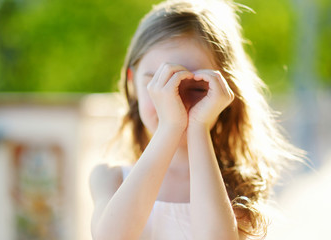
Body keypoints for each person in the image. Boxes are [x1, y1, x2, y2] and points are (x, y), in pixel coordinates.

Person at [89, 0, 303, 239]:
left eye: (198, 89)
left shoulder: (237, 189)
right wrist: (170, 127)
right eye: (158, 82)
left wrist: (198, 126)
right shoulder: (110, 178)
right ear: (133, 82)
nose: (174, 102)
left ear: (225, 92)